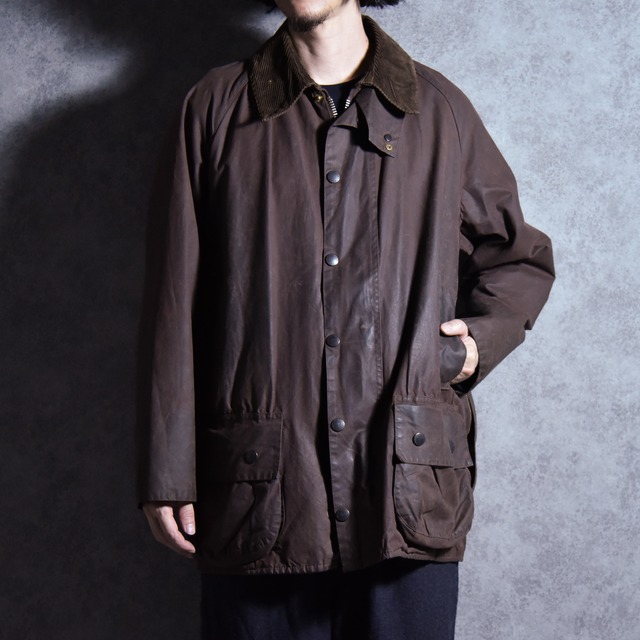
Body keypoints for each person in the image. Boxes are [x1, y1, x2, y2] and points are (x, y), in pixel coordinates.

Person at [140, 1, 555, 638]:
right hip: (259, 491)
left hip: (405, 488)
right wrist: (167, 469)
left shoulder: (439, 110)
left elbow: (518, 259)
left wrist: (474, 345)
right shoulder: (214, 108)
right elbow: (175, 299)